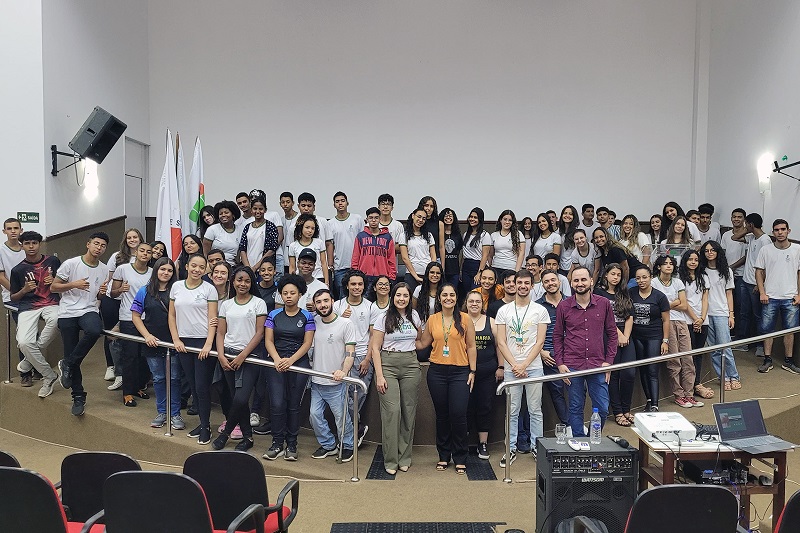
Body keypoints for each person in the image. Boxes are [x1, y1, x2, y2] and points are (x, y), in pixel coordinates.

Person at [416, 283, 477, 475]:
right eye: (444, 295)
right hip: (437, 372)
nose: (448, 298)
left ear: (456, 298)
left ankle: (460, 456)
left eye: (452, 295)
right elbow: (422, 343)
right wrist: (404, 333)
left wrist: (473, 371)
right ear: (439, 298)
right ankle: (443, 455)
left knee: (458, 414)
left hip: (460, 372)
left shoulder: (465, 319)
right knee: (442, 415)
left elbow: (471, 346)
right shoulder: (433, 319)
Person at [554, 266, 617, 437]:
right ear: (571, 283)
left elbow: (612, 334)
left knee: (603, 407)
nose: (580, 283)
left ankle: (592, 439)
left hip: (598, 364)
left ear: (591, 281)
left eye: (583, 279)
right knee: (575, 407)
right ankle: (579, 441)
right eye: (576, 280)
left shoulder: (603, 303)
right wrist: (560, 363)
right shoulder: (563, 306)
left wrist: (609, 362)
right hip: (572, 365)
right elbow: (557, 336)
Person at [495, 268, 550, 466]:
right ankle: (510, 448)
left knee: (535, 410)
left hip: (533, 367)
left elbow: (540, 341)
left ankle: (537, 447)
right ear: (514, 284)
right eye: (519, 283)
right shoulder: (504, 311)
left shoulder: (540, 310)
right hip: (512, 368)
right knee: (512, 410)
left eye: (527, 283)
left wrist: (524, 364)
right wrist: (515, 365)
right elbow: (501, 342)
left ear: (532, 286)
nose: (523, 286)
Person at [53, 232, 110, 416]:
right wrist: (73, 284)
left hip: (89, 309)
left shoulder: (104, 269)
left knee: (95, 330)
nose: (99, 248)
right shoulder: (71, 263)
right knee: (71, 351)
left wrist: (101, 293)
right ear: (88, 244)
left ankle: (67, 363)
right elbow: (53, 286)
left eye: (103, 246)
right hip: (68, 311)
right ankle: (78, 396)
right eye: (96, 244)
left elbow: (98, 295)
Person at [370, 282, 423, 475]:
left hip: (410, 364)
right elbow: (375, 347)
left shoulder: (414, 315)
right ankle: (391, 460)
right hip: (388, 365)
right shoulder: (383, 317)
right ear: (393, 297)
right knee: (392, 412)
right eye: (398, 295)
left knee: (408, 411)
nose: (402, 299)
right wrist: (379, 375)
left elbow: (419, 340)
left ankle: (404, 457)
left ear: (410, 298)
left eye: (405, 296)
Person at [212, 266, 267, 452]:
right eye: (239, 280)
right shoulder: (226, 305)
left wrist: (243, 355)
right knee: (236, 398)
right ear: (233, 282)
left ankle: (225, 433)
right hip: (228, 354)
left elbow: (260, 333)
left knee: (241, 399)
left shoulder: (259, 303)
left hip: (250, 357)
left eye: (247, 281)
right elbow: (220, 333)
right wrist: (221, 355)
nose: (243, 284)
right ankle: (248, 437)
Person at [263, 275, 315, 461]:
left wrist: (291, 360)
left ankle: (292, 444)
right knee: (277, 404)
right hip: (276, 362)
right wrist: (278, 359)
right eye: (285, 293)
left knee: (293, 405)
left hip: (298, 363)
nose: (288, 296)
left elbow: (307, 343)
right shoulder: (273, 315)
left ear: (300, 294)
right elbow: (268, 340)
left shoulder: (307, 316)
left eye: (292, 293)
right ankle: (277, 443)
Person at [168, 253, 218, 444]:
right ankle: (202, 422)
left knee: (201, 387)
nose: (197, 269)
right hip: (183, 342)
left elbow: (212, 319)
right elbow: (172, 316)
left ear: (205, 270)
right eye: (194, 265)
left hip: (203, 342)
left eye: (201, 267)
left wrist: (208, 343)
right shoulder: (177, 287)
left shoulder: (209, 289)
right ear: (187, 266)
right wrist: (176, 339)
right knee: (192, 384)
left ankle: (206, 427)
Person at [131, 257, 185, 430]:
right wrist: (147, 336)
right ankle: (162, 412)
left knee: (174, 379)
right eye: (162, 269)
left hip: (175, 342)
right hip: (153, 343)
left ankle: (175, 414)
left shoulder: (179, 290)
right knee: (159, 378)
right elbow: (135, 316)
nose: (166, 273)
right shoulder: (144, 291)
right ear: (156, 270)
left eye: (169, 270)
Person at [9, 230, 61, 398]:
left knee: (58, 319)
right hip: (28, 306)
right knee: (24, 342)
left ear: (39, 244)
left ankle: (29, 360)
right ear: (22, 246)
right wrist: (24, 290)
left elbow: (63, 282)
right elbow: (13, 297)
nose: (31, 246)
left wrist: (54, 281)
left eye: (34, 243)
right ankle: (49, 375)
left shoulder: (53, 261)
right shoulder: (18, 270)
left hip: (51, 303)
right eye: (27, 243)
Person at [308, 289, 356, 462]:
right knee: (314, 415)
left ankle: (348, 445)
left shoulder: (345, 324)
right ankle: (328, 444)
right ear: (315, 305)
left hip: (336, 383)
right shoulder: (313, 322)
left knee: (341, 418)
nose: (323, 305)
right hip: (316, 381)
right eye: (319, 302)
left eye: (325, 301)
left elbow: (350, 351)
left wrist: (344, 371)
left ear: (332, 301)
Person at [651, 255, 701, 408]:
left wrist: (667, 304)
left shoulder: (678, 282)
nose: (668, 266)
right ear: (659, 266)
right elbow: (657, 306)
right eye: (665, 263)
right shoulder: (654, 282)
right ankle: (679, 395)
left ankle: (689, 394)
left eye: (671, 263)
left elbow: (684, 305)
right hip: (666, 323)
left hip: (682, 321)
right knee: (674, 361)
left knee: (688, 359)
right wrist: (674, 303)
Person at [333, 269, 374, 445]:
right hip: (342, 356)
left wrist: (367, 359)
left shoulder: (370, 306)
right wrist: (341, 319)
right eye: (353, 284)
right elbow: (331, 330)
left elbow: (374, 336)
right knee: (343, 397)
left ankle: (350, 435)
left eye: (360, 284)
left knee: (358, 397)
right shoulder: (337, 306)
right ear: (347, 286)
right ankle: (356, 429)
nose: (357, 287)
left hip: (363, 356)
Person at [755, 219, 800, 374]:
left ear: (788, 231)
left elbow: (799, 273)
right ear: (773, 232)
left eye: (783, 229)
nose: (780, 232)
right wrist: (762, 292)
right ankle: (767, 359)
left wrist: (799, 294)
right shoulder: (765, 250)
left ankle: (788, 361)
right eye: (776, 230)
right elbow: (759, 272)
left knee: (790, 331)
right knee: (767, 330)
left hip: (791, 297)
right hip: (770, 297)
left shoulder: (797, 249)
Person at [594, 264, 636, 426]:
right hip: (608, 336)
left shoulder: (624, 292)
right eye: (613, 274)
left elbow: (630, 316)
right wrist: (618, 335)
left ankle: (627, 409)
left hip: (626, 336)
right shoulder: (599, 293)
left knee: (629, 373)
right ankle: (618, 411)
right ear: (606, 275)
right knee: (613, 374)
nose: (616, 277)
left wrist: (626, 336)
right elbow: (604, 318)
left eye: (618, 275)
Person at [111, 241, 153, 407]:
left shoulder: (153, 272)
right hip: (128, 317)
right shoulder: (123, 269)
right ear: (136, 252)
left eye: (148, 252)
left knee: (144, 356)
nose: (145, 254)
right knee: (130, 355)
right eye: (142, 250)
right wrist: (120, 290)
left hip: (147, 319)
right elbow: (113, 294)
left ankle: (137, 388)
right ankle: (127, 392)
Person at [102, 228, 143, 389]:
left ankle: (127, 373)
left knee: (128, 337)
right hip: (113, 299)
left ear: (140, 238)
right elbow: (108, 278)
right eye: (129, 238)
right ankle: (111, 366)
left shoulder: (144, 256)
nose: (132, 240)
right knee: (111, 333)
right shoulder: (117, 256)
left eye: (135, 237)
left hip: (132, 302)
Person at [465, 291, 503, 461]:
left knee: (485, 407)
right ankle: (463, 442)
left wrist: (501, 366)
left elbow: (499, 345)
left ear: (483, 304)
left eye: (478, 301)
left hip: (487, 372)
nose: (474, 304)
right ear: (466, 303)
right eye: (471, 301)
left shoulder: (491, 322)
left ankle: (483, 443)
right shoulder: (460, 320)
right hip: (465, 372)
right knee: (464, 407)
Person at [699, 240, 741, 388]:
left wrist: (731, 315)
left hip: (722, 312)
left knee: (725, 347)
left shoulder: (726, 271)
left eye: (712, 250)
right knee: (713, 349)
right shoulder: (701, 270)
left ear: (718, 252)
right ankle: (723, 377)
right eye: (706, 251)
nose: (709, 253)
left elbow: (729, 294)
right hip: (706, 314)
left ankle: (734, 376)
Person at [630, 265, 670, 412]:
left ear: (651, 278)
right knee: (642, 369)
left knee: (652, 370)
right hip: (637, 336)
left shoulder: (660, 296)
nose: (641, 281)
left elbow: (666, 320)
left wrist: (665, 341)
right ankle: (648, 400)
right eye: (638, 278)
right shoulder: (631, 293)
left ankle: (655, 404)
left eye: (644, 277)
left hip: (654, 336)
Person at [734, 213, 772, 356]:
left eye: (746, 224)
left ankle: (760, 345)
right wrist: (747, 230)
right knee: (744, 313)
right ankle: (743, 342)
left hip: (755, 284)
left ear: (750, 224)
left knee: (758, 315)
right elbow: (734, 237)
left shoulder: (765, 240)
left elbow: (767, 265)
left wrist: (760, 284)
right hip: (745, 281)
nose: (744, 226)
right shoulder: (751, 238)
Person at [535, 270, 569, 430]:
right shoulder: (536, 306)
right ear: (542, 285)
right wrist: (541, 352)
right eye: (546, 281)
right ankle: (568, 425)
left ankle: (575, 424)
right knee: (557, 390)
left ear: (559, 282)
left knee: (578, 390)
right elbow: (531, 333)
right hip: (548, 354)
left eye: (553, 280)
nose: (550, 283)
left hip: (571, 352)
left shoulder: (571, 302)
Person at [678, 249, 714, 400]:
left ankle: (697, 383)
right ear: (685, 261)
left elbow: (705, 299)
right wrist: (694, 319)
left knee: (699, 353)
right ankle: (688, 386)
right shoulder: (679, 278)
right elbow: (684, 302)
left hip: (702, 320)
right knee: (688, 355)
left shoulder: (703, 277)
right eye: (690, 259)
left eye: (696, 260)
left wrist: (702, 318)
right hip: (687, 320)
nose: (693, 262)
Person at [0, 218, 27, 384]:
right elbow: (1, 277)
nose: (13, 231)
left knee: (35, 334)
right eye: (9, 229)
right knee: (24, 334)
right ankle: (25, 373)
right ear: (4, 231)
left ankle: (34, 367)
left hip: (31, 297)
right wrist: (17, 291)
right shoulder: (1, 250)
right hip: (13, 299)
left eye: (16, 228)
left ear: (21, 230)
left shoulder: (26, 248)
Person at [351, 207, 397, 291]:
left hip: (382, 277)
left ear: (380, 219)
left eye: (376, 218)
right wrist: (356, 275)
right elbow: (355, 258)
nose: (373, 220)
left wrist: (391, 277)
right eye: (371, 218)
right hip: (364, 277)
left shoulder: (387, 237)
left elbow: (391, 259)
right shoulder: (360, 236)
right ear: (367, 220)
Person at [329, 192, 363, 299]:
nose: (340, 203)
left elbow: (364, 241)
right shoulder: (330, 223)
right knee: (342, 297)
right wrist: (331, 265)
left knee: (359, 296)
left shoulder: (357, 219)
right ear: (334, 205)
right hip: (339, 267)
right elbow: (330, 245)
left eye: (342, 201)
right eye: (337, 201)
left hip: (357, 266)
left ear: (347, 203)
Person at [721, 209, 748, 345]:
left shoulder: (748, 236)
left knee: (741, 308)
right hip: (727, 275)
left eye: (739, 217)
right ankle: (729, 333)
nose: (736, 219)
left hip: (742, 275)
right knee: (727, 305)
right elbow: (722, 253)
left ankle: (741, 338)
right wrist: (725, 270)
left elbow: (747, 256)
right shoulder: (726, 235)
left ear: (744, 219)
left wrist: (732, 268)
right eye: (734, 217)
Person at [237, 197, 279, 273]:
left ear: (265, 210)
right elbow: (242, 249)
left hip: (264, 270)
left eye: (260, 209)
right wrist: (248, 268)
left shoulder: (270, 226)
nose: (258, 211)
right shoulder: (247, 227)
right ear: (251, 210)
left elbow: (272, 250)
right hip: (248, 268)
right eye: (255, 209)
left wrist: (255, 267)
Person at [400, 208, 436, 294]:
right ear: (413, 216)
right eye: (419, 217)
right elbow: (405, 258)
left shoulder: (429, 235)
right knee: (411, 298)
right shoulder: (404, 235)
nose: (421, 220)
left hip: (427, 275)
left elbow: (433, 256)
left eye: (423, 218)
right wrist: (416, 276)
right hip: (411, 274)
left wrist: (431, 272)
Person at [296, 192, 334, 274]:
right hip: (301, 270)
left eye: (309, 206)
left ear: (314, 207)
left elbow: (328, 244)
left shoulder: (323, 221)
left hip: (321, 269)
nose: (306, 208)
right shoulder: (294, 225)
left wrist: (330, 265)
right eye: (303, 205)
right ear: (298, 206)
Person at [288, 213, 330, 286]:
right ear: (301, 227)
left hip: (318, 277)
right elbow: (292, 267)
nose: (310, 231)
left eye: (313, 228)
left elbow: (324, 263)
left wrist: (326, 282)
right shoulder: (293, 246)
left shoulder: (319, 243)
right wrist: (291, 283)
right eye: (307, 227)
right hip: (300, 280)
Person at [460, 207, 492, 298]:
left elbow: (485, 256)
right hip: (466, 266)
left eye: (475, 217)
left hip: (477, 266)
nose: (472, 219)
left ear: (480, 220)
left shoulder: (485, 235)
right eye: (471, 217)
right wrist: (461, 270)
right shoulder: (466, 234)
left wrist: (480, 272)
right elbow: (463, 254)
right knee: (467, 293)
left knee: (475, 292)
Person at [491, 210, 524, 274]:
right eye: (505, 219)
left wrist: (516, 271)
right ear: (500, 220)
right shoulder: (493, 235)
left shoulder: (518, 234)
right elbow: (490, 255)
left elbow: (521, 253)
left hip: (511, 268)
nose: (507, 222)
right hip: (496, 267)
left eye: (510, 220)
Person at [439, 208, 463, 292]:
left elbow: (459, 252)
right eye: (446, 215)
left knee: (453, 291)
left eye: (450, 216)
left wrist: (460, 269)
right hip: (442, 270)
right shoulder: (439, 234)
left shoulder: (457, 234)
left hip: (454, 270)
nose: (448, 217)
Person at [557, 205, 580, 275]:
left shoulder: (577, 233)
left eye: (570, 214)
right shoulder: (558, 232)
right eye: (565, 213)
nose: (567, 215)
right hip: (560, 268)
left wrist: (571, 271)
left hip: (571, 268)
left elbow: (577, 254)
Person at [279, 192, 299, 273]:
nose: (285, 204)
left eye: (288, 202)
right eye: (283, 202)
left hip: (297, 258)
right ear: (280, 204)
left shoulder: (299, 218)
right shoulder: (280, 220)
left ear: (293, 203)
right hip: (284, 259)